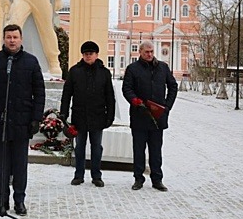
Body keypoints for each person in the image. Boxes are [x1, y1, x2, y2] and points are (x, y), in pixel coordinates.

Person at [0, 24, 45, 216]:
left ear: (21, 39)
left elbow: (39, 92)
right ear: (4, 39)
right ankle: (2, 200)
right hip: (0, 121)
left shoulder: (31, 62)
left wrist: (36, 119)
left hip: (22, 122)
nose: (12, 40)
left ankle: (19, 200)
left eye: (15, 37)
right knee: (2, 164)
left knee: (20, 165)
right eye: (8, 37)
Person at [122, 40, 178, 192]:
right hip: (140, 115)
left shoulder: (163, 67)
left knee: (156, 150)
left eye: (152, 51)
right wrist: (134, 100)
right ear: (140, 52)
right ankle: (138, 179)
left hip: (157, 116)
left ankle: (157, 179)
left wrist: (167, 106)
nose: (150, 54)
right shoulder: (133, 69)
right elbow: (127, 88)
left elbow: (173, 86)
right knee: (138, 150)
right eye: (147, 52)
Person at [60, 41, 116, 187]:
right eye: (86, 54)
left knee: (96, 147)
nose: (88, 56)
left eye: (91, 54)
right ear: (82, 55)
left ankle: (96, 176)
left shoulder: (104, 73)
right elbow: (67, 94)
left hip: (98, 116)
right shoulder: (75, 71)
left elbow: (110, 96)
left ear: (97, 55)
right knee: (79, 147)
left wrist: (110, 115)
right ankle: (79, 175)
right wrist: (63, 113)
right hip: (80, 116)